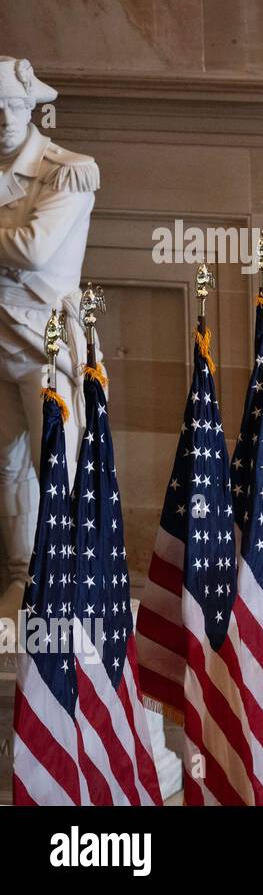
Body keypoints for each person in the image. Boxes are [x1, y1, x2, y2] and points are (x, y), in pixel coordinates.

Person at [0, 57, 99, 616]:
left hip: (43, 341)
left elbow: (32, 249)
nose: (2, 119)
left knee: (57, 462)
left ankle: (71, 578)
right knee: (7, 467)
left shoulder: (69, 170)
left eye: (12, 106)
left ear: (32, 106)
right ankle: (22, 577)